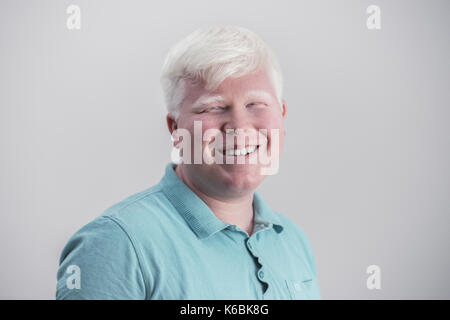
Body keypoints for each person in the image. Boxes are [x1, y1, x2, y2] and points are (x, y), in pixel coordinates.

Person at [56, 25, 321, 300]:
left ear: (282, 113)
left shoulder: (293, 241)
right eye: (213, 107)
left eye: (256, 104)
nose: (239, 127)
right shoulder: (116, 244)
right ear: (175, 128)